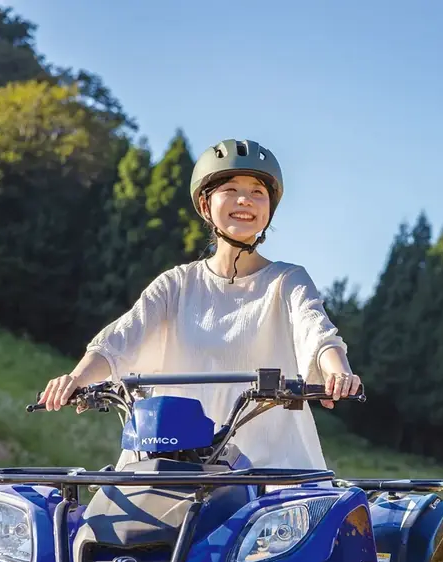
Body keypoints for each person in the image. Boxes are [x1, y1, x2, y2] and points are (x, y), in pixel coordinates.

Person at [38, 138, 361, 471]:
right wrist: (76, 378)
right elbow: (119, 340)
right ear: (206, 206)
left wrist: (337, 371)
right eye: (230, 189)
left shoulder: (286, 280)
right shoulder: (176, 285)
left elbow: (317, 331)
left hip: (270, 471)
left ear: (268, 210)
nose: (244, 200)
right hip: (171, 463)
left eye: (257, 192)